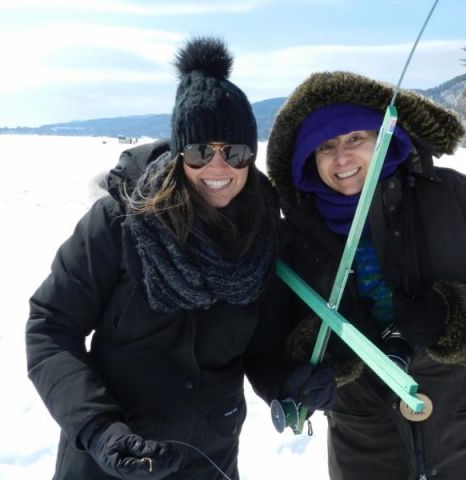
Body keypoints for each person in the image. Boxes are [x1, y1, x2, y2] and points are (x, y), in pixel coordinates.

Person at [25, 37, 334, 480]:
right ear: (178, 154)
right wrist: (99, 429)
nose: (218, 166)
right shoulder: (119, 222)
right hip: (110, 458)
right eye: (200, 151)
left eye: (236, 151)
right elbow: (50, 328)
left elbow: (261, 347)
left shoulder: (267, 235)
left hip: (209, 459)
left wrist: (287, 382)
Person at [265, 71, 466, 479]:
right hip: (367, 442)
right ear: (307, 159)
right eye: (326, 146)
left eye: (355, 139)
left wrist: (459, 321)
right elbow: (277, 341)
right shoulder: (294, 235)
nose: (342, 158)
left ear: (384, 137)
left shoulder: (451, 195)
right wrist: (325, 353)